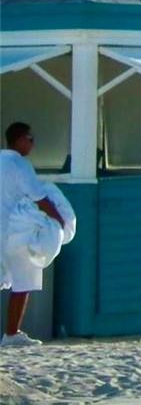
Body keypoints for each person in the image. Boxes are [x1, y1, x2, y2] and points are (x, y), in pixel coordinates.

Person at [2, 121, 65, 347]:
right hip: (13, 231)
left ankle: (12, 334)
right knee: (23, 280)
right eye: (30, 139)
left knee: (17, 279)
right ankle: (11, 334)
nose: (32, 144)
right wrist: (58, 218)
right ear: (19, 139)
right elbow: (38, 197)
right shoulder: (19, 164)